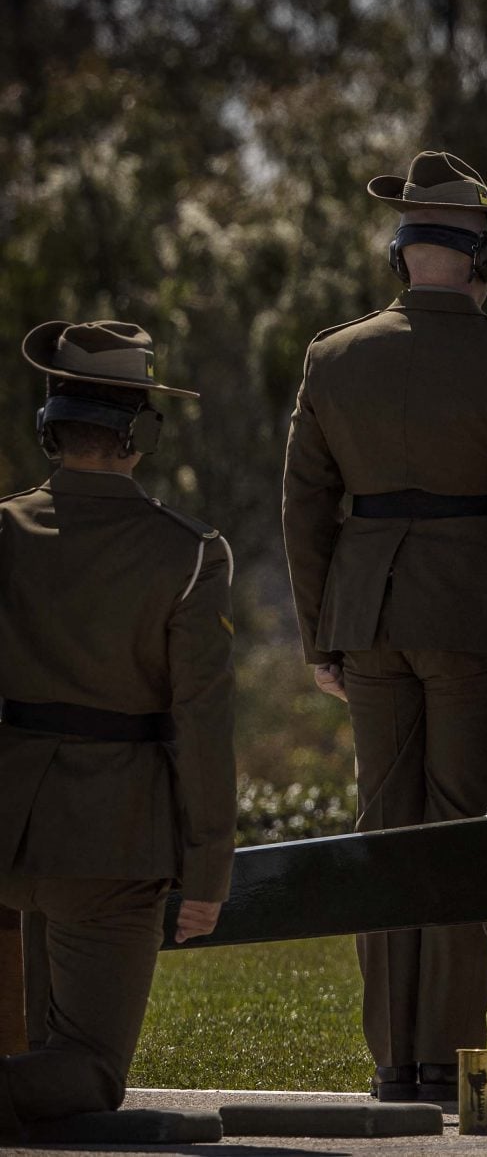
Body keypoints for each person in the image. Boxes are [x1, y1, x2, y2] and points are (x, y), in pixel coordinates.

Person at [279, 150, 487, 1105]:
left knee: (382, 829)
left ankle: (392, 1058)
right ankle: (446, 1059)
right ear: (482, 256)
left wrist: (321, 632)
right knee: (456, 836)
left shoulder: (332, 354)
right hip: (474, 624)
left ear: (400, 250)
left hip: (366, 620)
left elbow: (303, 507)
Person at [0, 322, 233, 1139]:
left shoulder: (5, 530)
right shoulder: (188, 553)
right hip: (112, 841)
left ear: (48, 425)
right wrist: (208, 868)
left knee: (35, 1064)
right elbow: (201, 725)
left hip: (12, 830)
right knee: (89, 1068)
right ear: (141, 433)